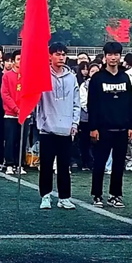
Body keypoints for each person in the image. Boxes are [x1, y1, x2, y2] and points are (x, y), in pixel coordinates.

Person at [88, 41, 132, 208]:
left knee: (118, 165)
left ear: (120, 56)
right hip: (103, 129)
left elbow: (130, 103)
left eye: (116, 54)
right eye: (110, 54)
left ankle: (115, 195)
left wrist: (130, 126)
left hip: (122, 128)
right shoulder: (97, 78)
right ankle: (97, 195)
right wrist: (93, 127)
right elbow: (92, 104)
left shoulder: (125, 77)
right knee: (99, 163)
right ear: (105, 56)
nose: (113, 58)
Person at [35, 43, 80, 210]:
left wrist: (74, 123)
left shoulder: (71, 77)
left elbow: (76, 102)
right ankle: (45, 195)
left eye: (63, 55)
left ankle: (64, 197)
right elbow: (35, 98)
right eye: (57, 54)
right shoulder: (42, 75)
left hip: (66, 128)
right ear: (50, 56)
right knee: (46, 165)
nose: (61, 58)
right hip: (47, 128)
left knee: (64, 166)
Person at [1, 50, 27, 175]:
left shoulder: (28, 76)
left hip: (25, 114)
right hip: (10, 114)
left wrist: (25, 109)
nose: (20, 62)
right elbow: (5, 94)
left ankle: (19, 164)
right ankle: (9, 164)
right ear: (13, 61)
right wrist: (16, 109)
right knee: (10, 140)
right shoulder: (7, 76)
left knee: (21, 141)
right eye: (18, 59)